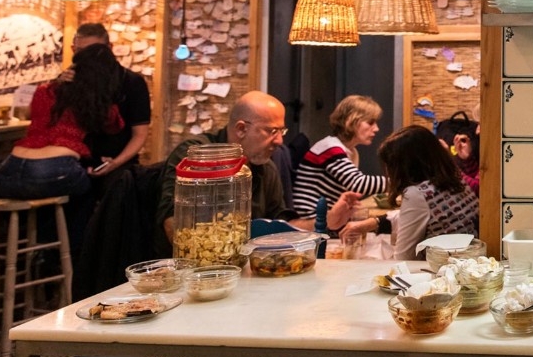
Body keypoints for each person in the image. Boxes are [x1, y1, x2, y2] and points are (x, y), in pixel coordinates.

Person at [155, 91, 360, 251]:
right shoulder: (196, 154)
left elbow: (282, 225)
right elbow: (173, 224)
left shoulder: (266, 167)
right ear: (241, 129)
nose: (280, 141)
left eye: (282, 131)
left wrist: (326, 220)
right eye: (272, 131)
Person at [0, 43, 125, 257]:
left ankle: (36, 253)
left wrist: (57, 81)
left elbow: (30, 114)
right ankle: (67, 255)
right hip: (53, 171)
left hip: (8, 173)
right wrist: (101, 93)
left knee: (56, 194)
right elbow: (115, 125)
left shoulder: (44, 90)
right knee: (87, 191)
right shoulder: (96, 101)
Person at [339, 126, 477, 259]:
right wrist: (374, 222)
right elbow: (421, 215)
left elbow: (404, 257)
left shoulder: (416, 193)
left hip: (440, 272)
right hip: (467, 263)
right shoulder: (453, 179)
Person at [69, 23, 151, 179]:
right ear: (73, 50)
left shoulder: (131, 82)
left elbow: (139, 134)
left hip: (119, 162)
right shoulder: (69, 80)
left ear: (109, 48)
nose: (88, 58)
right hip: (75, 161)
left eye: (95, 51)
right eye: (81, 52)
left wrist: (116, 163)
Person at [291, 95, 387, 217]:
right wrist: (400, 182)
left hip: (327, 216)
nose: (376, 129)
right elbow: (358, 183)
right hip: (311, 218)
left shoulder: (350, 151)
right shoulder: (331, 148)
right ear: (351, 121)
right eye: (370, 122)